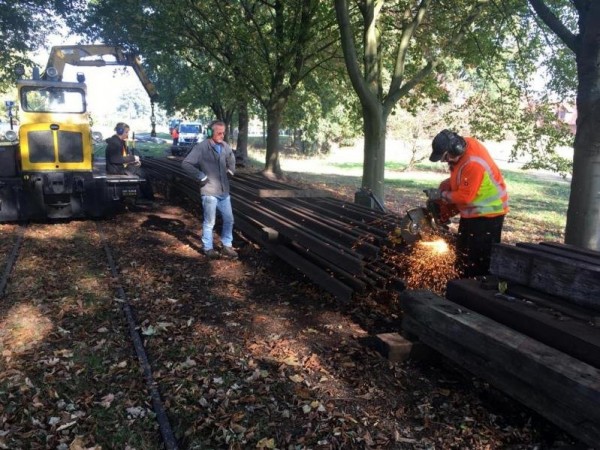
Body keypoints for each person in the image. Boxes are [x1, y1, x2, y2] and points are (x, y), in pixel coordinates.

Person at [426, 129, 508, 278]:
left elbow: (465, 197)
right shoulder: (464, 147)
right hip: (473, 213)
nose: (446, 161)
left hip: (488, 214)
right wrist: (443, 192)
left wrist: (442, 195)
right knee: (463, 254)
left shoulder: (473, 163)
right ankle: (460, 284)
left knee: (477, 260)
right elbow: (461, 178)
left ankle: (473, 290)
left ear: (455, 149)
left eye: (446, 158)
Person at [182, 121, 237, 259]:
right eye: (219, 132)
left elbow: (232, 158)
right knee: (210, 222)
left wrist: (231, 171)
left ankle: (226, 246)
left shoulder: (225, 146)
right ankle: (208, 248)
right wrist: (201, 176)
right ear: (210, 132)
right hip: (209, 191)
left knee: (229, 219)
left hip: (224, 191)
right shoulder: (201, 147)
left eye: (223, 132)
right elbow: (186, 164)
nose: (222, 135)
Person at [105, 122, 155, 202]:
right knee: (142, 173)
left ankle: (145, 196)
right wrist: (133, 158)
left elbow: (122, 158)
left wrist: (132, 162)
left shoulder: (119, 142)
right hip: (116, 170)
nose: (127, 134)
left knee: (141, 169)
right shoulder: (114, 143)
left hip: (119, 168)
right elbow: (115, 159)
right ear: (120, 131)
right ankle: (148, 198)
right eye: (126, 132)